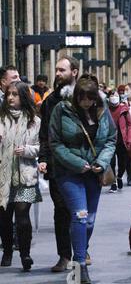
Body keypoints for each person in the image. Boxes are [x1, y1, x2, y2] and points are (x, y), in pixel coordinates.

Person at [48, 77, 116, 284]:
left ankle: (81, 251)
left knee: (89, 221)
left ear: (96, 98)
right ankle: (79, 265)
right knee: (80, 215)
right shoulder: (61, 109)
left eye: (90, 98)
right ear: (76, 96)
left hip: (93, 174)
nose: (86, 102)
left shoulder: (103, 111)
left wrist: (101, 163)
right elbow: (55, 142)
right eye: (82, 98)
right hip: (68, 172)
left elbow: (111, 140)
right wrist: (78, 163)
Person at [38, 55, 79, 272]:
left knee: (81, 211)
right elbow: (44, 134)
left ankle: (82, 250)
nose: (57, 73)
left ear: (74, 72)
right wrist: (44, 158)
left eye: (62, 70)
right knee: (61, 210)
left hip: (82, 164)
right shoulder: (51, 101)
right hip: (57, 165)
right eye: (56, 69)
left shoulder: (86, 97)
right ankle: (64, 255)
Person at [0, 81, 41, 271]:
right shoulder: (0, 119)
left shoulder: (35, 121)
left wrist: (27, 150)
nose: (10, 98)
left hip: (26, 176)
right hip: (3, 176)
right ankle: (7, 251)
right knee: (4, 217)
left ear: (23, 96)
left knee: (23, 217)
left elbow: (42, 148)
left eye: (15, 94)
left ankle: (25, 254)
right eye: (8, 94)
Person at [108, 91, 131, 192]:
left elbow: (130, 125)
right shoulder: (106, 109)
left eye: (115, 95)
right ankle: (113, 182)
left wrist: (129, 139)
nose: (113, 97)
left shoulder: (124, 109)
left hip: (122, 140)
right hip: (110, 140)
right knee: (111, 162)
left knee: (122, 162)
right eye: (111, 95)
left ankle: (119, 176)